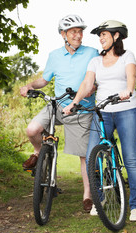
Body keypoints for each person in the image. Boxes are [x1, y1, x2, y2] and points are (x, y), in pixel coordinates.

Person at [63, 20, 136, 221]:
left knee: (131, 159)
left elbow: (131, 77)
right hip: (102, 113)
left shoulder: (127, 56)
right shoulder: (95, 61)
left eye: (104, 34)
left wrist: (129, 90)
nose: (100, 38)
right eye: (99, 35)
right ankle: (100, 200)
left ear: (116, 36)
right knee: (93, 155)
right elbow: (87, 83)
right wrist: (75, 102)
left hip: (126, 110)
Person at [20, 14, 99, 213]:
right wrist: (30, 85)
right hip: (57, 105)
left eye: (80, 31)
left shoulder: (92, 53)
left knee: (83, 155)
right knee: (32, 130)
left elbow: (98, 78)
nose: (79, 35)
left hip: (79, 108)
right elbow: (44, 80)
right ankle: (39, 152)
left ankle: (87, 196)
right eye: (74, 32)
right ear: (63, 34)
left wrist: (93, 87)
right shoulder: (55, 55)